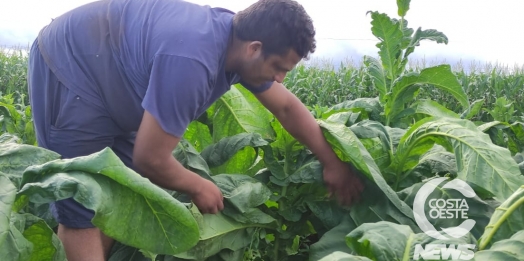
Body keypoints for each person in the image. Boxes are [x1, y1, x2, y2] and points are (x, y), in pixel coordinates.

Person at [27, 0, 364, 260]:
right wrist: (197, 186)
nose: (280, 78)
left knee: (120, 195)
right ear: (255, 48)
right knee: (81, 202)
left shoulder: (236, 45)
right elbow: (150, 158)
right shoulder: (193, 60)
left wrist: (331, 161)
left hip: (115, 78)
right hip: (72, 68)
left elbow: (287, 107)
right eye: (278, 67)